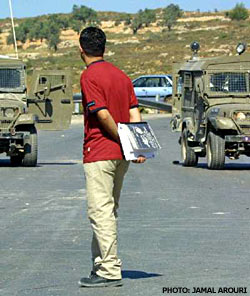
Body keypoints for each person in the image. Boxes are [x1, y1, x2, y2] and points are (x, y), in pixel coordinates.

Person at [78, 27, 145, 288]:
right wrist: (135, 146)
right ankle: (100, 264)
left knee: (100, 211)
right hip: (121, 157)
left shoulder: (89, 77)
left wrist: (122, 139)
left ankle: (109, 269)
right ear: (103, 47)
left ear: (81, 49)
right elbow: (133, 110)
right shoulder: (122, 76)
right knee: (108, 210)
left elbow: (103, 115)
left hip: (100, 152)